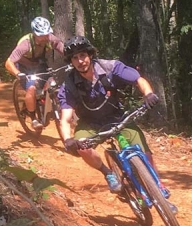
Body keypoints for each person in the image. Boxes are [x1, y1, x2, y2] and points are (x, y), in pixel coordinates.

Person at [57, 35, 173, 209]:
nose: (80, 61)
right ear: (71, 61)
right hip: (90, 123)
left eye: (83, 55)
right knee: (83, 147)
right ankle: (108, 173)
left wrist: (148, 94)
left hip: (118, 117)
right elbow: (66, 117)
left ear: (90, 54)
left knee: (145, 153)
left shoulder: (110, 67)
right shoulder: (69, 85)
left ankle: (157, 187)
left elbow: (138, 80)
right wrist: (67, 139)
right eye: (75, 57)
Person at [5, 16, 64, 130]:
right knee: (31, 87)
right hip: (24, 67)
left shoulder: (51, 39)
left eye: (47, 34)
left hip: (39, 64)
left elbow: (64, 50)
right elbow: (8, 62)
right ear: (35, 34)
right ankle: (33, 118)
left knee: (52, 83)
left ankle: (44, 104)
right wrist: (18, 74)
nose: (45, 37)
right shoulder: (26, 44)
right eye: (42, 35)